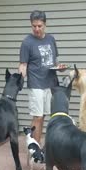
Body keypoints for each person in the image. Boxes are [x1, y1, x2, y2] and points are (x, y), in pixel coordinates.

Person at [19, 10, 66, 145]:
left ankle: (36, 145)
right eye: (34, 26)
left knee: (44, 116)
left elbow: (54, 62)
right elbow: (23, 65)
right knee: (38, 117)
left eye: (39, 26)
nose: (37, 29)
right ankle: (34, 150)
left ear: (45, 24)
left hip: (51, 84)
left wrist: (60, 67)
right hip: (36, 84)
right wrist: (19, 80)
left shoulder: (51, 39)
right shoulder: (27, 42)